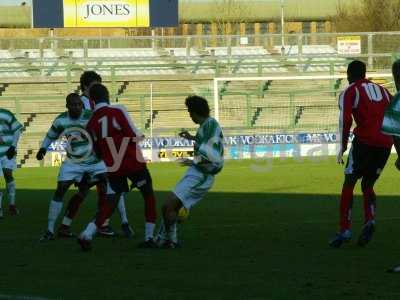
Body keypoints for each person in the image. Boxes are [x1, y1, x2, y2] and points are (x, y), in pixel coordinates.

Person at [78, 83, 157, 250]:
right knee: (148, 194)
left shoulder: (90, 123)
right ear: (107, 96)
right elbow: (132, 135)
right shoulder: (117, 111)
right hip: (132, 160)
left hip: (112, 166)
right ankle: (149, 237)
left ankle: (87, 233)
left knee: (111, 201)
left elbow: (96, 151)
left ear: (92, 101)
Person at [58, 71, 133, 238]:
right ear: (86, 86)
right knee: (103, 188)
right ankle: (104, 224)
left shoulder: (95, 102)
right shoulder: (82, 103)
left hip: (100, 151)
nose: (98, 88)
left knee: (106, 187)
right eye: (95, 85)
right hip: (89, 155)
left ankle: (111, 223)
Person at [329, 60, 393, 248]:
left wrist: (342, 147)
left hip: (364, 141)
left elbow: (345, 119)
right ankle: (370, 220)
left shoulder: (350, 91)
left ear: (349, 75)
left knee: (350, 181)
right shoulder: (383, 91)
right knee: (368, 184)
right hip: (385, 143)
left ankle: (345, 229)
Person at [38, 93, 110, 241]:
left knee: (110, 188)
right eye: (73, 105)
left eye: (79, 104)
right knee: (61, 190)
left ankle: (107, 224)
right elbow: (51, 135)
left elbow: (105, 132)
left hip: (95, 161)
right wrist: (43, 148)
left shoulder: (91, 116)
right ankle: (50, 229)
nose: (77, 107)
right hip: (73, 162)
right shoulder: (61, 120)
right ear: (67, 106)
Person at [155, 95, 224, 248]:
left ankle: (166, 240)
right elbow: (206, 145)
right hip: (197, 173)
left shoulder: (210, 126)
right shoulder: (207, 125)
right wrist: (192, 138)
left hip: (201, 176)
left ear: (194, 112)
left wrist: (193, 161)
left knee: (168, 206)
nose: (189, 115)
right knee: (168, 207)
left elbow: (214, 159)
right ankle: (168, 240)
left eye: (189, 112)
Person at [0, 108, 22, 218]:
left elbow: (17, 129)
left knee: (8, 174)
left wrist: (13, 146)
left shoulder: (6, 114)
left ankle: (12, 204)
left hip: (7, 152)